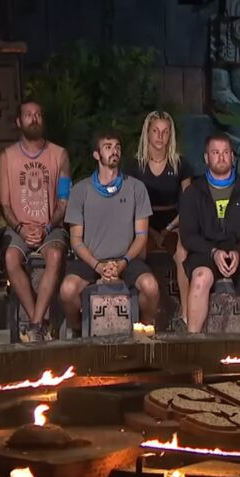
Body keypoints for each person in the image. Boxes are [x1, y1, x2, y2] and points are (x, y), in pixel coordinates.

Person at [59, 130, 160, 337]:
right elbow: (76, 240)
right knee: (67, 290)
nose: (114, 151)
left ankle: (143, 328)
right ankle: (77, 329)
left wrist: (122, 263)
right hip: (91, 261)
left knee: (151, 287)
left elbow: (141, 236)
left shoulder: (136, 188)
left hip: (126, 260)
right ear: (96, 155)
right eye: (108, 147)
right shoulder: (80, 190)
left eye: (117, 147)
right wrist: (98, 266)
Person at [180, 133, 240, 333]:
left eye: (225, 152)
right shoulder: (193, 192)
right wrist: (213, 252)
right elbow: (188, 235)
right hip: (206, 252)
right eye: (215, 152)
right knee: (200, 278)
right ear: (206, 158)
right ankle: (193, 338)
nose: (221, 157)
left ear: (232, 156)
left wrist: (239, 251)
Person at [0, 100, 70, 342]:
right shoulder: (7, 156)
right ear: (19, 121)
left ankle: (35, 325)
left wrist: (47, 228)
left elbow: (63, 202)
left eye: (38, 114)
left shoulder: (60, 154)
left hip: (51, 226)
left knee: (55, 255)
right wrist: (20, 228)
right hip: (19, 227)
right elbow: (5, 204)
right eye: (28, 115)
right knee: (10, 257)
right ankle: (38, 322)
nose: (34, 118)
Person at [128, 111, 194, 328]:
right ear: (147, 133)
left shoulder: (180, 164)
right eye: (155, 131)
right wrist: (150, 231)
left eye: (165, 132)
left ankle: (186, 316)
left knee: (183, 252)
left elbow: (188, 204)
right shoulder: (135, 166)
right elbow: (130, 205)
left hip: (173, 223)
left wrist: (167, 229)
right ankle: (143, 316)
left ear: (170, 135)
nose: (160, 136)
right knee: (138, 252)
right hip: (143, 223)